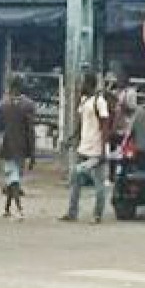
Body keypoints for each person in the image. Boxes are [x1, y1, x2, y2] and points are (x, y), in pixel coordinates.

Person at [60, 74, 109, 224]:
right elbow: (82, 123)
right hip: (83, 148)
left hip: (95, 150)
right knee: (75, 181)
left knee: (99, 184)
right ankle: (72, 212)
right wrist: (73, 137)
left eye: (83, 83)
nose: (81, 86)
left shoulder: (99, 102)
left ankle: (97, 215)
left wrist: (102, 150)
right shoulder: (84, 100)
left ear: (89, 84)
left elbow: (105, 126)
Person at [0, 76, 36, 219]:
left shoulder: (2, 105)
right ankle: (18, 209)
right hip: (22, 147)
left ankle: (9, 209)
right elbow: (30, 130)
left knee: (13, 179)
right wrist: (32, 153)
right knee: (15, 178)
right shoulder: (28, 105)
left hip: (7, 147)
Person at [107, 72, 137, 183]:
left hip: (126, 128)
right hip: (115, 127)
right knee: (112, 152)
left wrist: (123, 106)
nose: (118, 81)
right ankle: (111, 176)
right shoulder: (116, 92)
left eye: (120, 79)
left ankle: (124, 175)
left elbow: (132, 109)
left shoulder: (131, 92)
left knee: (125, 153)